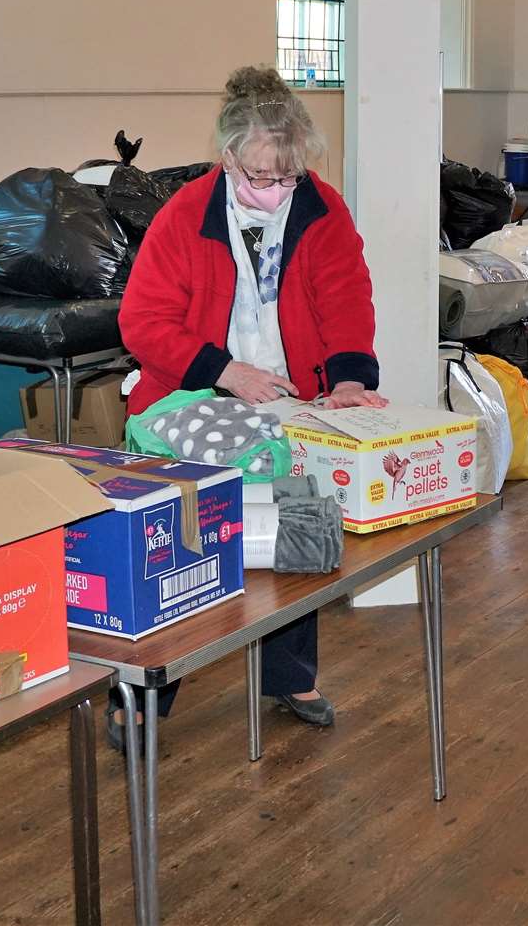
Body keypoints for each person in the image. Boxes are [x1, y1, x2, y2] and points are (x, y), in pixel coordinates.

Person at [113, 65, 384, 751]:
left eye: (286, 177)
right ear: (227, 158)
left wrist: (350, 377)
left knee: (294, 527)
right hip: (189, 395)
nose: (273, 191)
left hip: (286, 399)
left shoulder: (319, 208)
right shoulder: (185, 215)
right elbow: (142, 323)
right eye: (259, 177)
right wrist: (224, 371)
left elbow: (346, 295)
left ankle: (288, 675)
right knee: (176, 549)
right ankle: (146, 693)